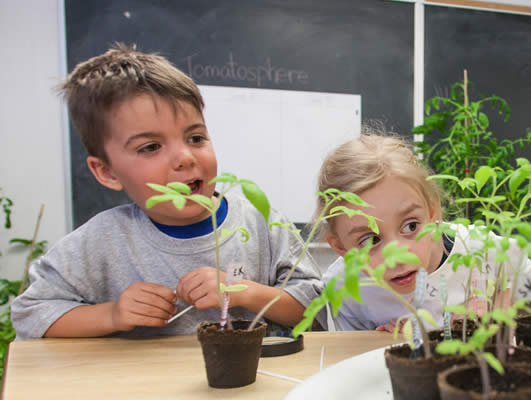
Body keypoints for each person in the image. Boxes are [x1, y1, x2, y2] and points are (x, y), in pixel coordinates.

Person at [11, 44, 323, 339]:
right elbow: (30, 313)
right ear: (106, 172)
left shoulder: (262, 222)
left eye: (196, 138)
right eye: (150, 147)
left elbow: (317, 308)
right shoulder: (101, 240)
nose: (185, 157)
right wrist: (112, 315)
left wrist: (244, 291)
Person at [317, 131, 531, 331]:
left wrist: (493, 312)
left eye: (411, 226)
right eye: (370, 240)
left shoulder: (477, 249)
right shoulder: (343, 284)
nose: (399, 257)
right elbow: (351, 355)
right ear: (341, 248)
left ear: (433, 213)